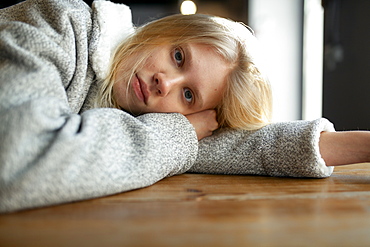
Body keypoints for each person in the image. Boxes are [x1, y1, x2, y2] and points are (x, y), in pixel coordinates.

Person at [0, 0, 368, 213]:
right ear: (162, 31)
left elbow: (242, 145)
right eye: (178, 56)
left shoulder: (143, 114)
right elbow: (16, 156)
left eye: (189, 95)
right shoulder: (58, 25)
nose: (166, 82)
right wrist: (176, 132)